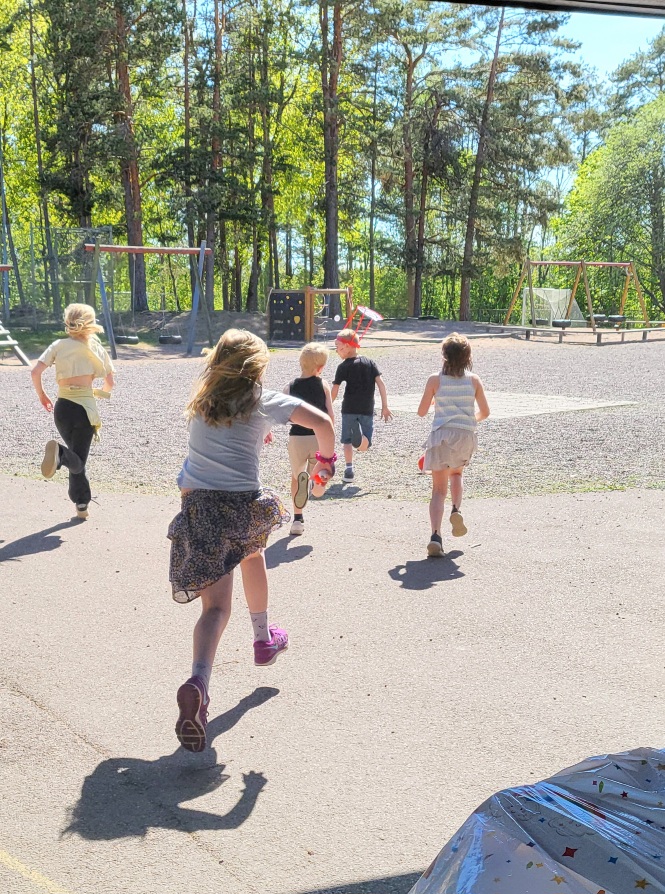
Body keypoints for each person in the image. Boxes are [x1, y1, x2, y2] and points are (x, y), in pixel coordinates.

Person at [169, 329, 336, 753]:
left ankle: (199, 681)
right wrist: (325, 463)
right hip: (241, 505)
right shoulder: (261, 400)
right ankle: (263, 638)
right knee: (253, 550)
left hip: (199, 506)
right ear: (255, 368)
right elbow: (322, 422)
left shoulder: (201, 403)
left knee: (215, 608)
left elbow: (221, 440)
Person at [30, 303, 115, 519]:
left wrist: (42, 395)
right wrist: (97, 394)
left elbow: (35, 372)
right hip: (84, 409)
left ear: (68, 323)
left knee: (74, 457)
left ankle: (81, 505)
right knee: (77, 460)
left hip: (62, 408)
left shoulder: (58, 345)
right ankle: (60, 455)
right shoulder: (96, 348)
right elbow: (110, 383)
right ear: (91, 323)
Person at [417, 332, 490, 557]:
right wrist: (468, 420)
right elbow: (485, 412)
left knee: (438, 490)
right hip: (465, 435)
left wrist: (436, 403)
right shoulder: (474, 380)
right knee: (456, 474)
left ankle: (436, 536)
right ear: (468, 357)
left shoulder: (435, 379)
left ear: (444, 356)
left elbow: (421, 412)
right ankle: (456, 509)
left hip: (441, 436)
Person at [284, 342, 334, 536]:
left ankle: (297, 520)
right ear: (320, 368)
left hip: (297, 437)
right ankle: (317, 484)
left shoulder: (290, 387)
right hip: (318, 437)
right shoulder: (323, 385)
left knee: (296, 476)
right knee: (320, 470)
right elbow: (330, 415)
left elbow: (281, 413)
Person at [331, 328, 392, 484]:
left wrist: (328, 406)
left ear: (348, 346)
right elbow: (381, 384)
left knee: (347, 440)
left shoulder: (343, 367)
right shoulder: (370, 363)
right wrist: (385, 406)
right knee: (365, 445)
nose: (336, 350)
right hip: (367, 409)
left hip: (348, 408)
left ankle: (349, 469)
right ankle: (360, 437)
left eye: (338, 347)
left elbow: (335, 390)